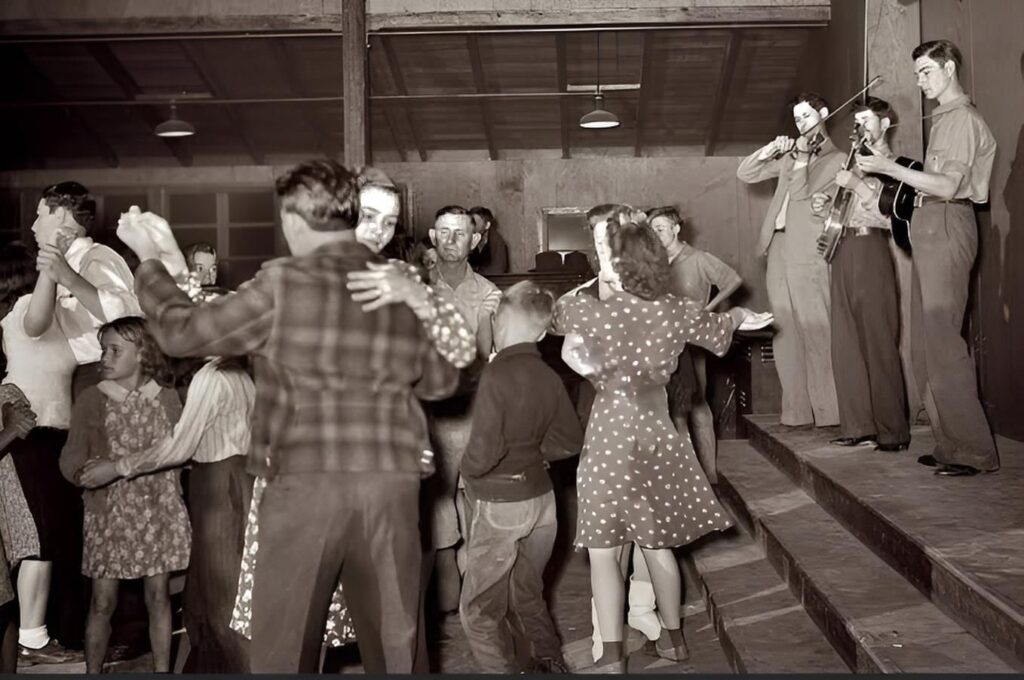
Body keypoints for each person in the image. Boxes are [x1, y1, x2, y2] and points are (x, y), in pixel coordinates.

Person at [116, 159, 462, 674]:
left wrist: (149, 263)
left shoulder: (289, 281)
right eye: (373, 217)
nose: (380, 231)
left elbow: (183, 333)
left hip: (305, 490)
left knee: (285, 649)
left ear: (297, 220)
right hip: (388, 488)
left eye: (389, 223)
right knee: (396, 652)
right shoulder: (396, 282)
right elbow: (442, 381)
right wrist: (426, 305)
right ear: (347, 214)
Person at [554, 208, 752, 672]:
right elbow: (723, 330)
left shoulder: (591, 309)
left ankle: (610, 655)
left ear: (617, 264)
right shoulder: (678, 312)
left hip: (609, 434)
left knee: (605, 553)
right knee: (658, 543)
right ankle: (674, 639)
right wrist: (741, 312)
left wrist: (596, 283)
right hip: (658, 432)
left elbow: (553, 316)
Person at [855, 40, 999, 477]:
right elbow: (928, 181)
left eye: (925, 72)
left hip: (947, 224)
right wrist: (889, 165)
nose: (919, 82)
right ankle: (950, 443)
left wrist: (888, 169)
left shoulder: (960, 120)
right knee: (923, 347)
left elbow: (949, 187)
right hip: (929, 227)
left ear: (949, 68)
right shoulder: (945, 120)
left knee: (942, 345)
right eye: (917, 74)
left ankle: (973, 450)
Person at [78, 351, 255, 673]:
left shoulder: (212, 377)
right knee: (210, 594)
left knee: (220, 594)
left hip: (219, 482)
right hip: (222, 478)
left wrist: (117, 468)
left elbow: (179, 446)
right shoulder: (234, 371)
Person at [458, 281, 584, 674]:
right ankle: (550, 663)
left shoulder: (495, 376)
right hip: (543, 503)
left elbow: (481, 454)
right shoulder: (549, 376)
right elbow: (570, 439)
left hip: (500, 504)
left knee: (479, 610)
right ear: (543, 332)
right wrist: (533, 456)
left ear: (498, 320)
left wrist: (468, 471)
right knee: (527, 595)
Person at [59, 317, 189, 674]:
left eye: (115, 349)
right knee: (102, 602)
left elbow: (178, 448)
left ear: (143, 354)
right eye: (104, 349)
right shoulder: (92, 399)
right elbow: (70, 457)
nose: (106, 357)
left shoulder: (167, 397)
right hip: (109, 514)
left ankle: (162, 670)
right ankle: (92, 671)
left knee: (158, 598)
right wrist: (83, 473)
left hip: (158, 512)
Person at [737, 93, 844, 428]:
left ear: (824, 114)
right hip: (778, 247)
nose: (801, 123)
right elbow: (746, 172)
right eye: (797, 119)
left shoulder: (837, 158)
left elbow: (804, 193)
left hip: (809, 249)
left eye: (807, 116)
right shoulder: (789, 156)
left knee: (816, 328)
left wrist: (800, 157)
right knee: (784, 331)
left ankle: (829, 413)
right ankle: (796, 412)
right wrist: (772, 149)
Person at [0, 243, 85, 666]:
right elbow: (35, 320)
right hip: (25, 438)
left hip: (55, 438)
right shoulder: (20, 312)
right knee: (34, 538)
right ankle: (31, 639)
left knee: (50, 538)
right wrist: (55, 263)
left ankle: (37, 634)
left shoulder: (58, 317)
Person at [810, 97, 910, 452]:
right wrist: (825, 207)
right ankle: (858, 426)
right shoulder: (852, 161)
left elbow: (894, 218)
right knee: (845, 343)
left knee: (878, 339)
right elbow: (841, 211)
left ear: (885, 125)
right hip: (842, 250)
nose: (859, 128)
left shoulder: (895, 165)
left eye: (867, 121)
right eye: (856, 121)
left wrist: (856, 185)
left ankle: (892, 431)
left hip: (872, 250)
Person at [423, 205, 503, 615]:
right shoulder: (416, 289)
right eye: (444, 232)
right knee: (434, 505)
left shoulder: (489, 294)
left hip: (472, 413)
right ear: (433, 238)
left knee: (478, 503)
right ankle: (442, 597)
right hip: (429, 416)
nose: (452, 240)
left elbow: (495, 358)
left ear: (475, 240)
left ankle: (477, 593)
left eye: (461, 233)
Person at [648, 206, 742, 483]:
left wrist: (710, 309)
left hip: (694, 342)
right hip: (663, 344)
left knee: (696, 404)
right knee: (669, 408)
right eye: (652, 230)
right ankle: (685, 477)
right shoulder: (654, 263)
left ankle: (710, 477)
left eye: (661, 228)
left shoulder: (699, 258)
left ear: (677, 228)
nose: (656, 234)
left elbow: (733, 280)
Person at [0, 384, 42, 675]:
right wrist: (9, 432)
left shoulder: (5, 394)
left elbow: (18, 416)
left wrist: (14, 422)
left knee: (4, 602)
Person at [468, 206, 510, 275]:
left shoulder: (498, 243)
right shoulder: (469, 237)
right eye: (471, 222)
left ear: (487, 225)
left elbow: (497, 271)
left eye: (476, 223)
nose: (472, 226)